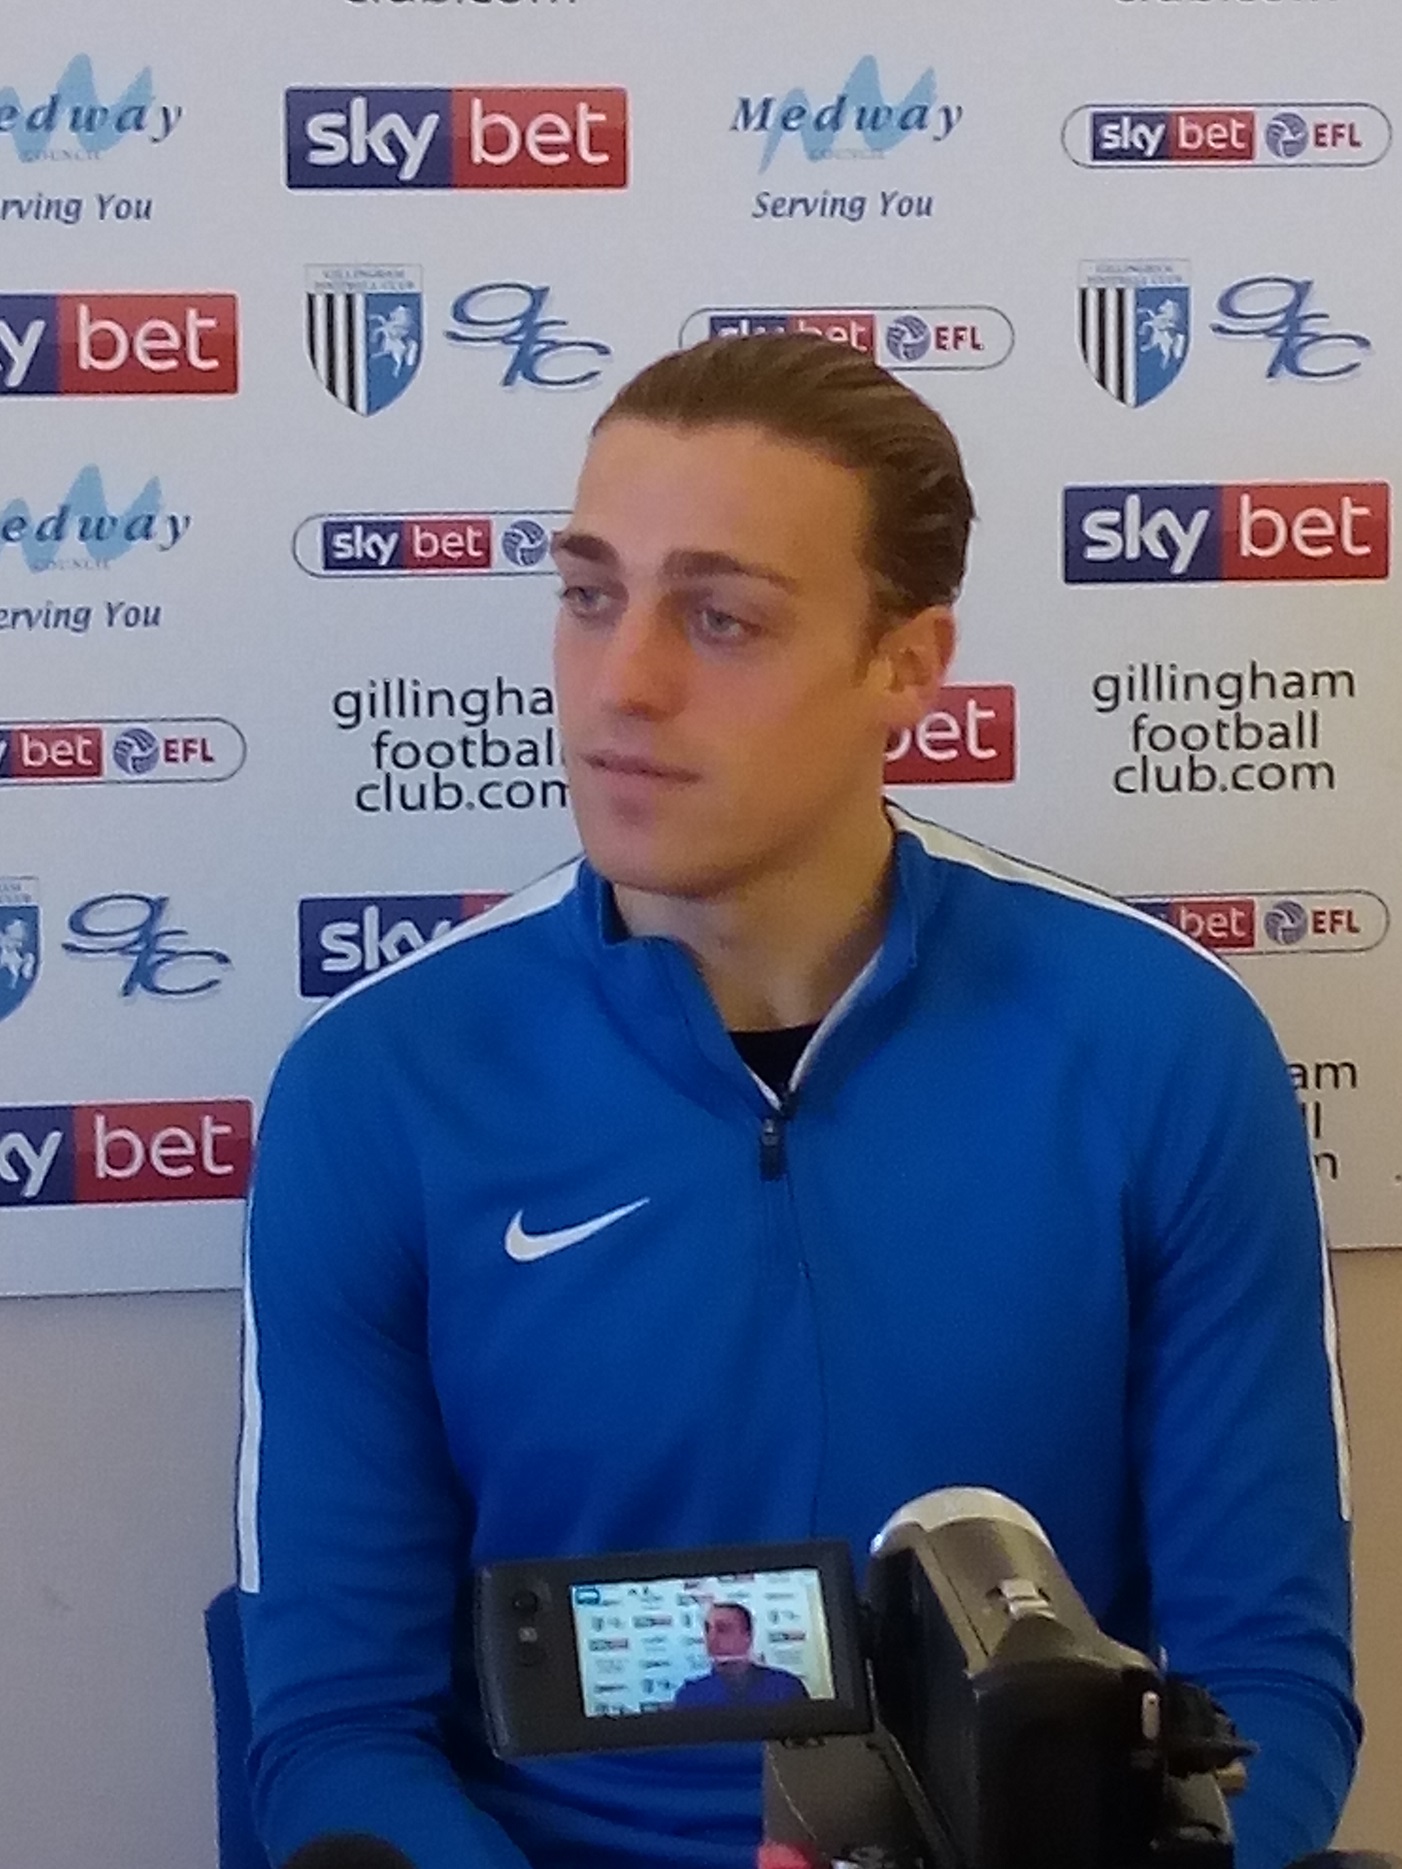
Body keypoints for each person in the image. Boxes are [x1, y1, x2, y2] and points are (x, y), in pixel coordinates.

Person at [237, 333, 1359, 1869]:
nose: (621, 683)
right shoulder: (378, 1085)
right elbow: (336, 1730)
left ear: (905, 666)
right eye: (588, 595)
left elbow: (1265, 1684)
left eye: (720, 617)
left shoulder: (1158, 1043)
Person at [672, 1603, 810, 1709]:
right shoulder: (690, 1695)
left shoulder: (785, 1687)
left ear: (747, 1636)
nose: (711, 1637)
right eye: (708, 1629)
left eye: (723, 1629)